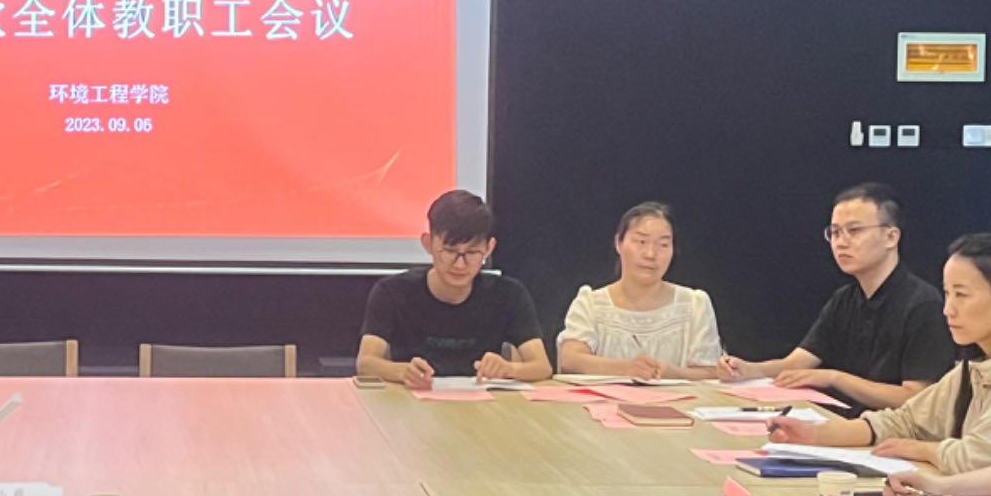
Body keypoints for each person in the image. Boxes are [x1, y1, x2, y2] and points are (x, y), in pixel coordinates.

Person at [766, 233, 991, 475]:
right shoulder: (974, 367)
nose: (948, 309)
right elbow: (904, 421)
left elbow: (983, 457)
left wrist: (921, 450)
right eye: (947, 294)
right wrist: (815, 434)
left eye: (962, 295)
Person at [719, 183, 952, 408]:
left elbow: (917, 397)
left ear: (891, 237)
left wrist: (834, 378)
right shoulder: (844, 300)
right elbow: (797, 363)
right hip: (839, 421)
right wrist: (750, 370)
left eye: (854, 231)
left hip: (888, 430)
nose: (841, 242)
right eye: (835, 232)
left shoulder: (923, 304)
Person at [356, 189, 552, 385]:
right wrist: (401, 371)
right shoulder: (392, 292)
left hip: (481, 398)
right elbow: (365, 362)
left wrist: (509, 369)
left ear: (489, 248)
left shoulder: (509, 295)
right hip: (413, 397)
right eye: (450, 251)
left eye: (472, 253)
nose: (460, 264)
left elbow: (542, 366)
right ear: (428, 244)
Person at [556, 202, 723, 381]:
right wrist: (626, 369)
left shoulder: (695, 304)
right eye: (641, 242)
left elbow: (711, 373)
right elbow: (570, 360)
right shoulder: (591, 303)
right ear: (619, 243)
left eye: (663, 245)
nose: (650, 254)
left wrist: (669, 372)